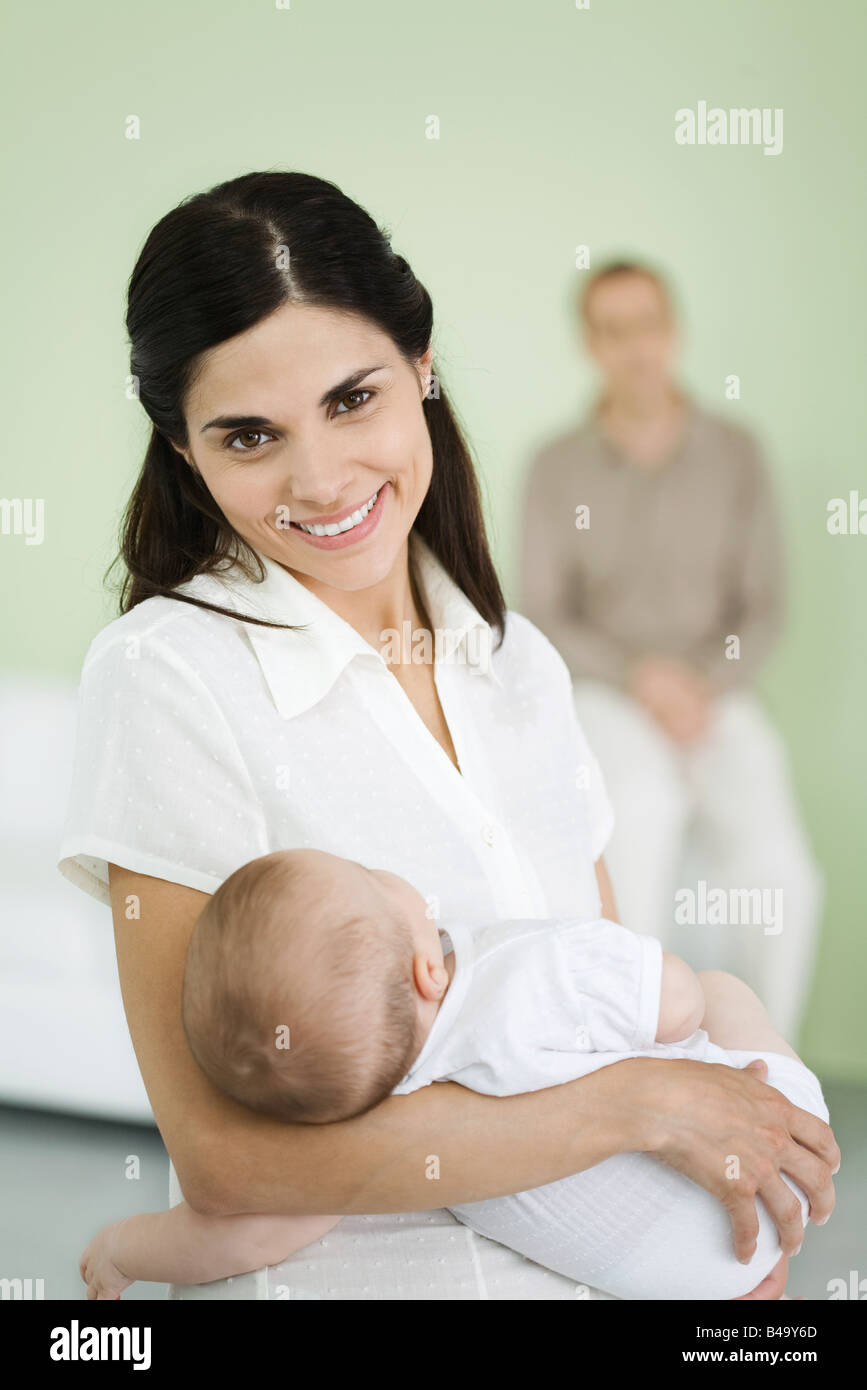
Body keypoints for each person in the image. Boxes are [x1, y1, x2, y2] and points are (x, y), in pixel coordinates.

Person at [58, 174, 838, 1302]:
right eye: (247, 435)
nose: (320, 481)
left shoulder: (520, 662)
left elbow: (632, 1012)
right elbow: (226, 1165)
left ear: (421, 365)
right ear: (183, 451)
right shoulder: (166, 675)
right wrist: (635, 1108)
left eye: (352, 398)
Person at [78, 846, 829, 1300]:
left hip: (683, 1279)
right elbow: (677, 1001)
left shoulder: (357, 1136)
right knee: (723, 992)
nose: (383, 870)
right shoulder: (523, 972)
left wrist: (121, 1248)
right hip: (769, 1182)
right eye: (370, 876)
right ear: (428, 967)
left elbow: (237, 1239)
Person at [520, 260, 823, 1043]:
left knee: (780, 871)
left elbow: (764, 607)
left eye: (646, 325)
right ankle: (636, 1057)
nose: (635, 349)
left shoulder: (736, 452)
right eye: (612, 331)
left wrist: (700, 687)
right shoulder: (555, 466)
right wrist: (641, 679)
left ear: (674, 330)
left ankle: (768, 1062)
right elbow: (544, 613)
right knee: (638, 821)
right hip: (607, 692)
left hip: (717, 692)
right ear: (589, 345)